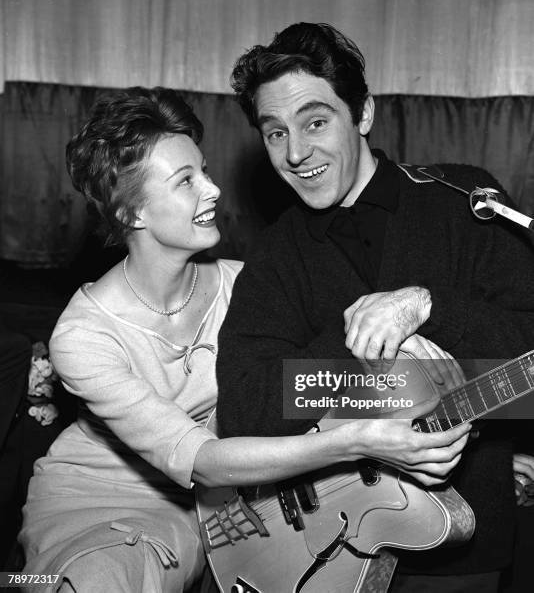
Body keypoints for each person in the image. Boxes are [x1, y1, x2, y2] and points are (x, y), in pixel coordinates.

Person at [18, 87, 470, 593]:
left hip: (237, 507)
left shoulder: (247, 285)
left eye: (205, 171)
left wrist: (492, 434)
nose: (212, 190)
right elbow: (205, 461)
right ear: (131, 214)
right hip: (109, 500)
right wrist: (359, 441)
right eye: (186, 182)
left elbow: (320, 383)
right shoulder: (83, 336)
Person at [216, 23, 534, 591]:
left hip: (465, 549)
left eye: (316, 122)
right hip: (322, 554)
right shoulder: (275, 257)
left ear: (363, 114)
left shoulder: (468, 204)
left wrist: (425, 307)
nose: (295, 153)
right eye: (274, 133)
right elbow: (244, 406)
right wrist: (371, 359)